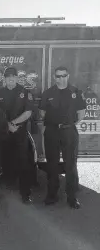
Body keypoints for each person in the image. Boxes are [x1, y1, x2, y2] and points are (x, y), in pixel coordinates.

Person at [39, 66, 85, 209]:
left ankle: (72, 197)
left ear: (68, 76)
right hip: (52, 131)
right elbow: (41, 113)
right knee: (51, 164)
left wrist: (68, 124)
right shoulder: (47, 93)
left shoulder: (76, 92)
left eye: (63, 75)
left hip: (69, 131)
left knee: (70, 164)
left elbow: (81, 114)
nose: (61, 79)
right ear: (54, 77)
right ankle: (52, 195)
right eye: (58, 76)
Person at [0, 67, 35, 204]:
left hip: (20, 133)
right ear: (4, 79)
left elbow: (28, 112)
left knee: (24, 164)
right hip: (4, 133)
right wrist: (7, 125)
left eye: (13, 77)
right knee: (3, 163)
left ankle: (25, 194)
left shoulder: (24, 92)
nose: (10, 79)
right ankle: (1, 194)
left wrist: (13, 123)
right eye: (8, 77)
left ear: (17, 78)